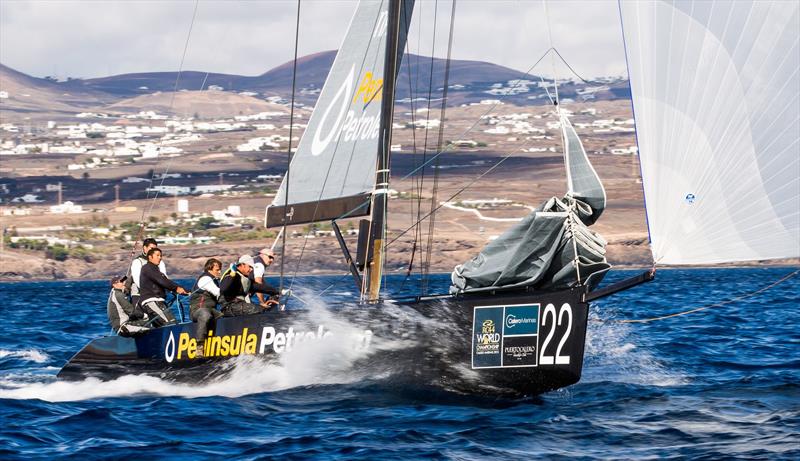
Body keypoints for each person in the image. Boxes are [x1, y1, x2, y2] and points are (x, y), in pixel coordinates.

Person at [138, 247, 188, 327]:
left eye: (161, 256)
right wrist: (176, 288)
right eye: (157, 255)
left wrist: (186, 291)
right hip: (153, 301)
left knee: (161, 327)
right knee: (171, 324)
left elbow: (166, 282)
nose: (160, 258)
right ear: (150, 257)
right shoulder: (148, 268)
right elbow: (162, 281)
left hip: (158, 302)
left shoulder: (155, 270)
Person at [189, 258, 223, 357]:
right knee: (205, 314)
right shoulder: (205, 279)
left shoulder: (215, 280)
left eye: (220, 269)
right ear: (209, 269)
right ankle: (199, 346)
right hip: (197, 311)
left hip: (212, 310)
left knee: (226, 315)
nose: (220, 272)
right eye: (217, 270)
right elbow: (217, 292)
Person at [127, 238, 166, 307]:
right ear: (145, 248)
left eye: (155, 249)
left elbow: (164, 278)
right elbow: (138, 281)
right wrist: (151, 290)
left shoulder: (160, 262)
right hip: (139, 295)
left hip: (157, 296)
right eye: (151, 248)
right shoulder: (137, 262)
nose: (153, 251)